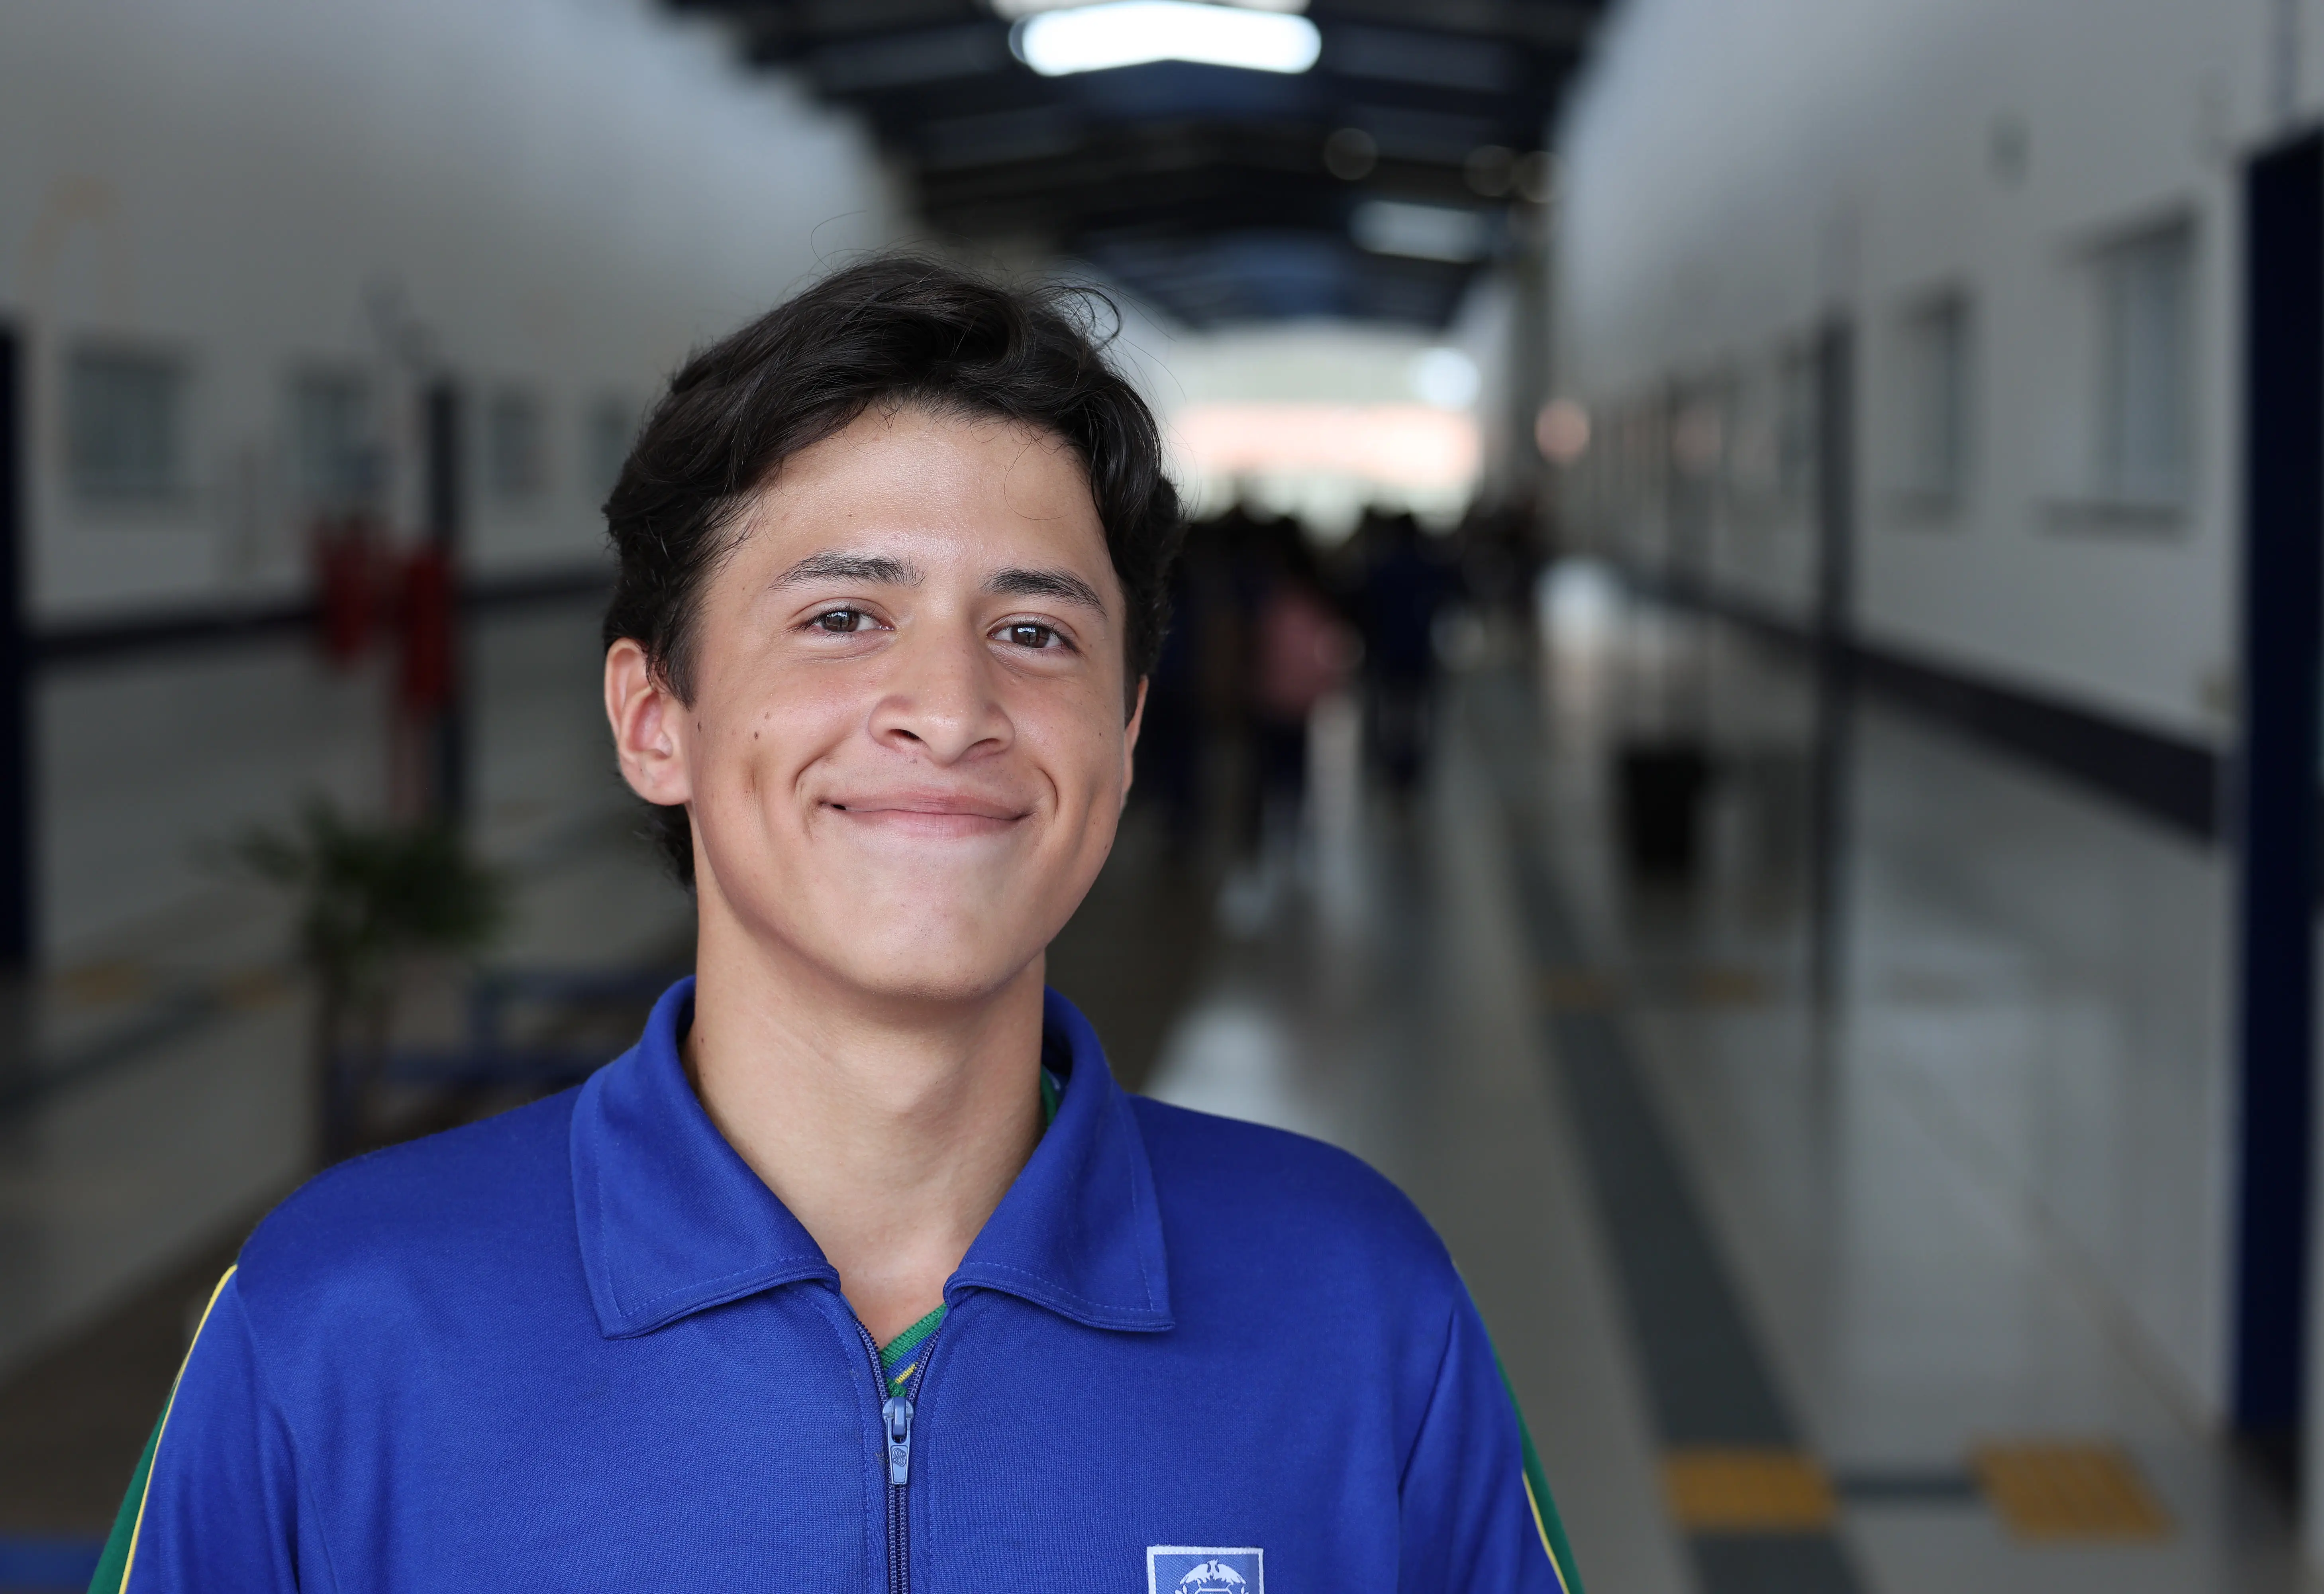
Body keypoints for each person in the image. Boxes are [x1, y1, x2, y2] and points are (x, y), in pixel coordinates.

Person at [90, 258, 1581, 1594]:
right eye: (842, 617)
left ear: (1125, 740)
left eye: (1035, 632)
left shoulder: (1357, 1309)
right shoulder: (335, 1330)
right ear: (653, 719)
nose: (949, 710)